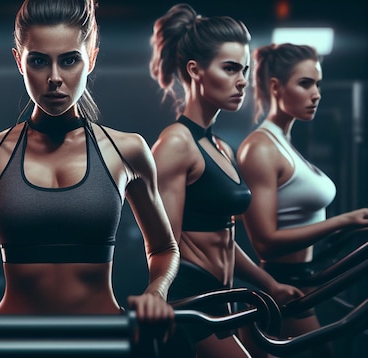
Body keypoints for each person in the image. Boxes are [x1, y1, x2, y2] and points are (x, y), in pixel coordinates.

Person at [0, 0, 179, 349]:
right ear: (19, 61)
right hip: (10, 342)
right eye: (38, 61)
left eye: (69, 59)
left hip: (105, 341)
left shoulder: (127, 150)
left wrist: (157, 291)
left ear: (91, 58)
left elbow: (165, 248)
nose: (54, 79)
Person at [148, 4, 303, 357]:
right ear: (195, 70)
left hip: (226, 296)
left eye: (245, 70)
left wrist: (270, 285)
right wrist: (162, 298)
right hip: (191, 302)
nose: (242, 81)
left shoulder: (221, 148)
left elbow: (224, 238)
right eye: (230, 68)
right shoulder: (175, 144)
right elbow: (162, 245)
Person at [236, 43, 368, 357]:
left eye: (318, 84)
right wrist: (345, 220)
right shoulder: (260, 149)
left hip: (304, 282)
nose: (316, 94)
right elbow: (265, 242)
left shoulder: (284, 143)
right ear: (275, 87)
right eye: (305, 83)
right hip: (280, 288)